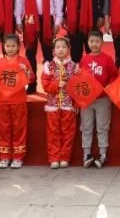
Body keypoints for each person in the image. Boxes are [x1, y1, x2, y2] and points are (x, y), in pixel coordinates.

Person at [15, 0, 63, 92]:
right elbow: (19, 0)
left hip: (47, 20)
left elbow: (58, 1)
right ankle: (31, 83)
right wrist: (18, 20)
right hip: (29, 20)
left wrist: (57, 22)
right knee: (30, 53)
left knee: (48, 53)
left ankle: (50, 83)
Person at [0, 34, 33, 168]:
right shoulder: (0, 62)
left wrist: (26, 71)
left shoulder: (23, 61)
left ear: (18, 47)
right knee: (4, 128)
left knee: (19, 128)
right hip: (3, 100)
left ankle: (18, 157)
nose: (10, 48)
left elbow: (31, 78)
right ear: (3, 47)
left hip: (18, 100)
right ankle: (4, 156)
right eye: (8, 46)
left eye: (13, 46)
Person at [79, 32, 117, 168]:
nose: (94, 44)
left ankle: (103, 154)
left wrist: (109, 86)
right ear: (88, 43)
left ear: (102, 43)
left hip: (103, 99)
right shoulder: (84, 59)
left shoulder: (107, 59)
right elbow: (79, 77)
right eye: (91, 41)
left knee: (102, 127)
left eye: (97, 41)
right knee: (86, 126)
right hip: (87, 99)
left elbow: (114, 75)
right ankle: (87, 154)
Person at [42, 35, 80, 168]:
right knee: (53, 132)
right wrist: (57, 84)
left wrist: (76, 103)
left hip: (68, 105)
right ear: (53, 51)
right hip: (53, 105)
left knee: (68, 132)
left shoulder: (74, 66)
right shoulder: (49, 66)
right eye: (58, 47)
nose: (61, 49)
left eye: (64, 47)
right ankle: (54, 158)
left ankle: (64, 157)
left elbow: (78, 87)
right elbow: (45, 85)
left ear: (68, 49)